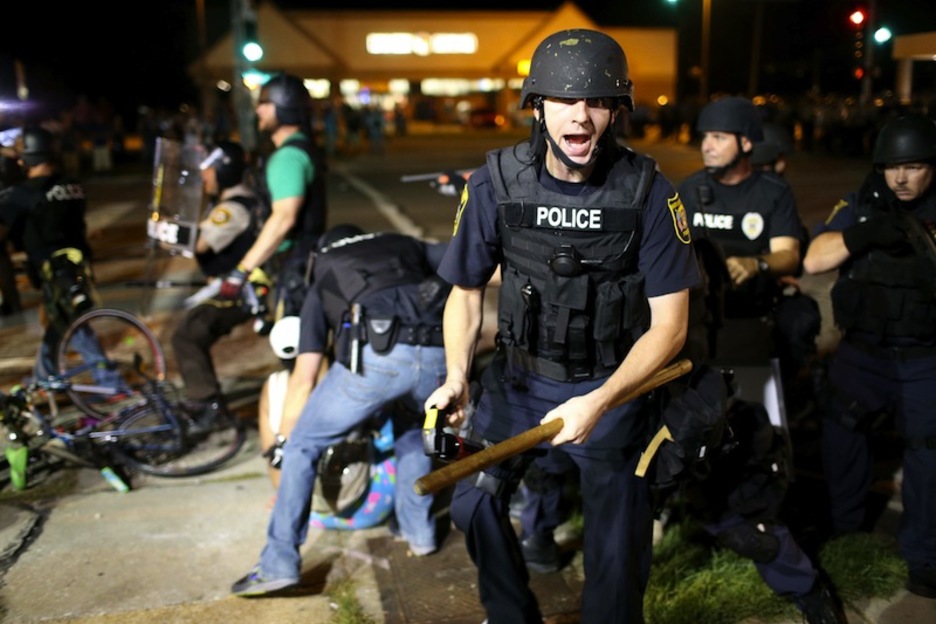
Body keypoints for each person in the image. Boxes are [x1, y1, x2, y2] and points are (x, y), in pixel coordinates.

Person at [423, 29, 700, 623]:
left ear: (617, 110)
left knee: (618, 546)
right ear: (537, 106)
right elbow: (465, 292)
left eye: (598, 101)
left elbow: (671, 327)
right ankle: (511, 613)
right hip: (518, 384)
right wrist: (456, 377)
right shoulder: (494, 184)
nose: (582, 115)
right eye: (565, 100)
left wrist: (599, 401)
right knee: (472, 504)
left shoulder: (650, 193)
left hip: (614, 384)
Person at [231, 224, 450, 596]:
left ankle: (278, 564)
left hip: (377, 355)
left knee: (303, 444)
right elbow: (465, 258)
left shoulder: (324, 272)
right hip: (438, 352)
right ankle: (421, 534)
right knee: (413, 431)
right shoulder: (404, 243)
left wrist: (284, 443)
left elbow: (303, 379)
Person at [802, 114, 936, 600]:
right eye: (892, 167)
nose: (901, 178)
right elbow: (814, 258)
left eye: (914, 166)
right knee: (841, 429)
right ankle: (846, 531)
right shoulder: (859, 204)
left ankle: (923, 557)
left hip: (924, 355)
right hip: (863, 352)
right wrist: (862, 235)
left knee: (927, 451)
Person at [676, 96, 812, 386]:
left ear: (746, 143)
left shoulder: (774, 192)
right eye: (705, 137)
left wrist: (756, 264)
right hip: (696, 325)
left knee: (750, 411)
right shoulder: (688, 190)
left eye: (718, 137)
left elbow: (789, 255)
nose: (706, 146)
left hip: (749, 322)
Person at [170, 140, 269, 427]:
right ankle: (207, 399)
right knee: (192, 331)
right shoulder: (234, 202)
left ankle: (207, 403)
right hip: (234, 287)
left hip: (241, 291)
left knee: (188, 334)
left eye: (209, 172)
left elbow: (199, 243)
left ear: (224, 172)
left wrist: (164, 229)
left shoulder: (233, 209)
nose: (204, 178)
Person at [216, 72, 327, 323]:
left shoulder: (287, 158)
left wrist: (242, 269)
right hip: (307, 261)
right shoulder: (304, 146)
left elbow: (284, 218)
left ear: (282, 107)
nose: (258, 111)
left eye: (264, 104)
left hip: (297, 267)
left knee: (296, 349)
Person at [0, 126, 101, 378]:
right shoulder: (73, 186)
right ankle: (41, 379)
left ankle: (111, 381)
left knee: (74, 325)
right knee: (59, 322)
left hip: (51, 269)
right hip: (78, 264)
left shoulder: (21, 195)